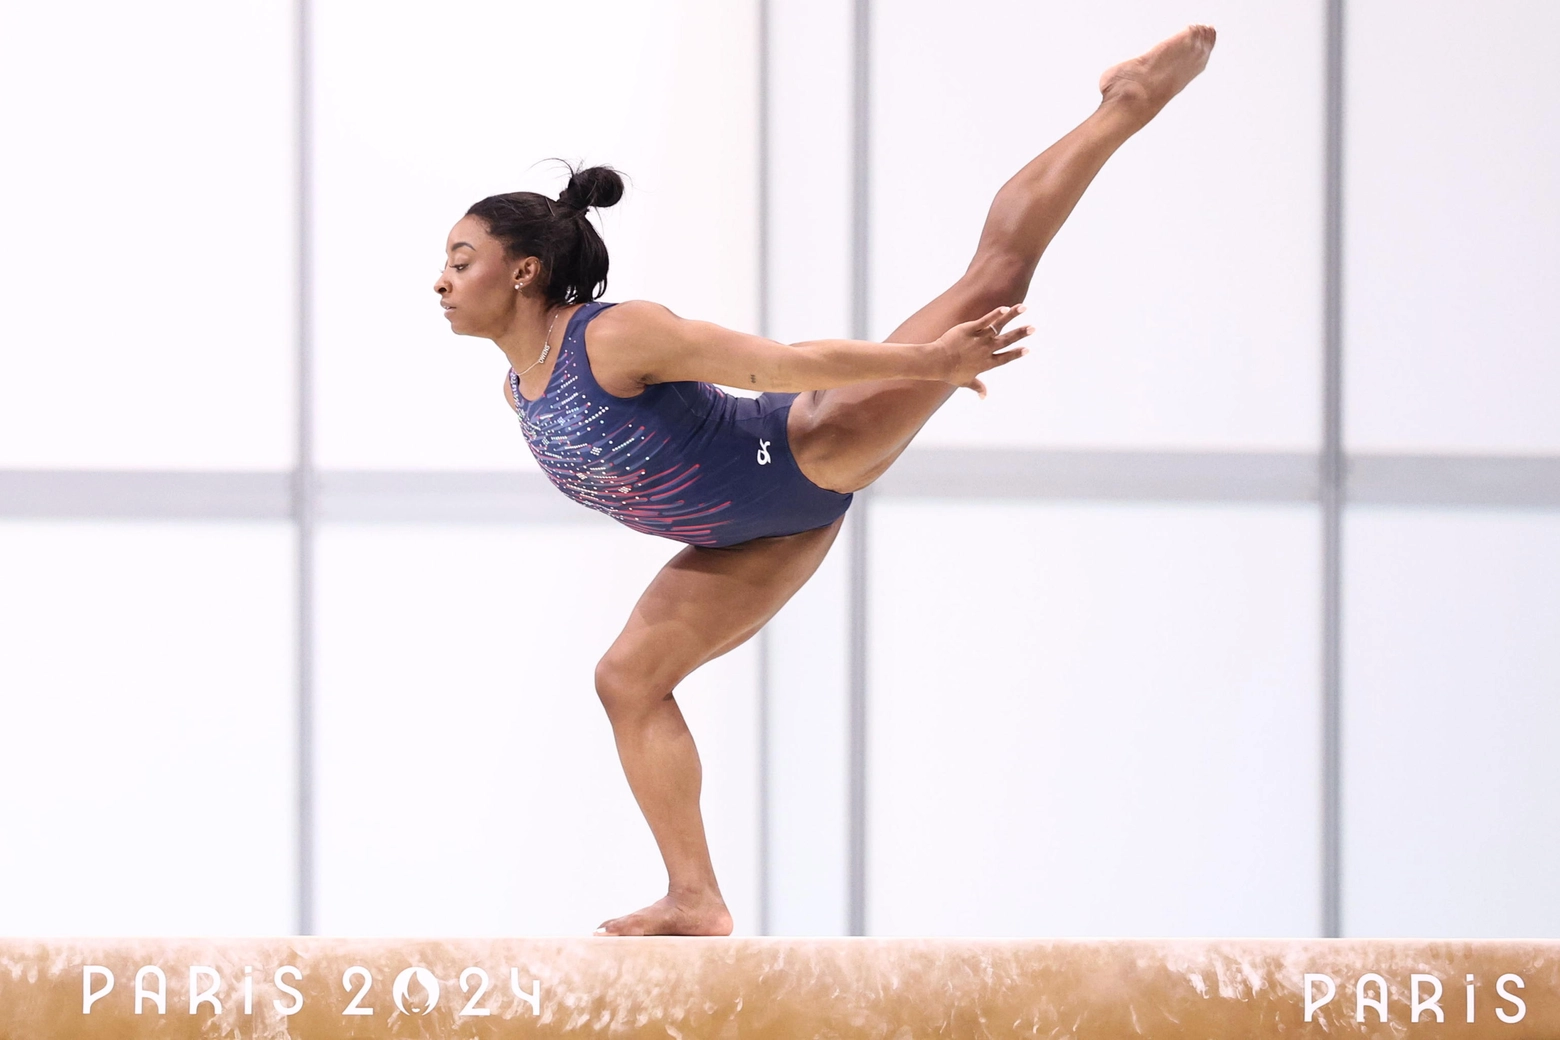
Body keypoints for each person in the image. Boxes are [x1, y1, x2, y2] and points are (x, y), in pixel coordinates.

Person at [433, 24, 1216, 935]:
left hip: (805, 450)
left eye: (460, 261)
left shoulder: (612, 337)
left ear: (524, 271)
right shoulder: (517, 390)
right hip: (748, 538)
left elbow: (779, 364)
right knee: (626, 681)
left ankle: (1126, 104)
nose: (441, 282)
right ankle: (697, 898)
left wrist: (926, 364)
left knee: (997, 275)